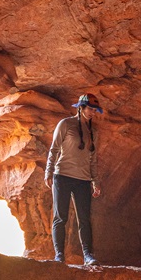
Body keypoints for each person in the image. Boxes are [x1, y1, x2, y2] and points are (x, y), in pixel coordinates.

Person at [45, 93, 104, 265]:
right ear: (81, 107)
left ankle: (88, 256)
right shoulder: (65, 124)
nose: (93, 112)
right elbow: (54, 149)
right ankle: (59, 256)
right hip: (62, 176)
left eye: (95, 110)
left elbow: (93, 159)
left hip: (83, 180)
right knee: (60, 217)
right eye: (91, 109)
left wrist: (95, 181)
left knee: (84, 219)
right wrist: (48, 172)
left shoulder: (93, 132)